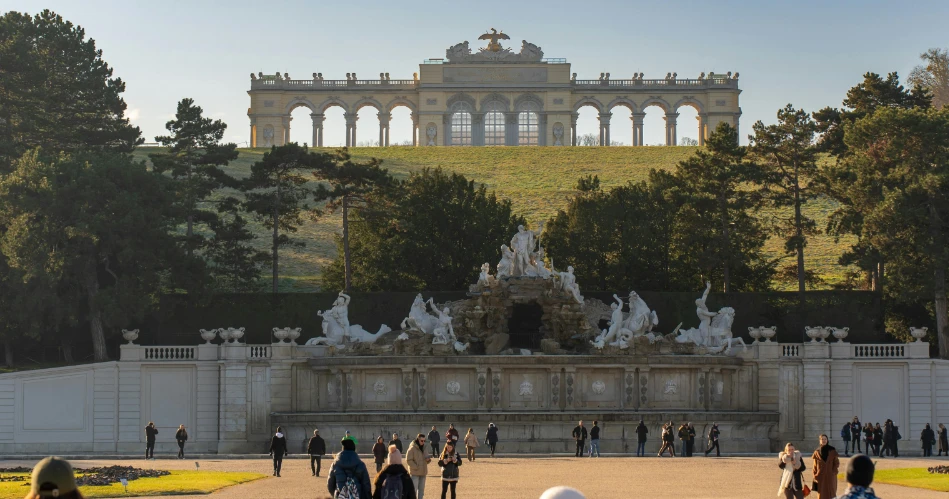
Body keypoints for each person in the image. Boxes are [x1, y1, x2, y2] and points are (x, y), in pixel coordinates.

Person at [811, 434, 839, 499]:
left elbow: (836, 463)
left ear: (827, 440)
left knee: (831, 493)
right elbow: (814, 466)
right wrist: (815, 475)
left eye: (825, 439)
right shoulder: (817, 452)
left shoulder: (832, 450)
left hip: (831, 476)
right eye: (822, 439)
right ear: (820, 441)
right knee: (821, 494)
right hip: (821, 476)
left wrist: (833, 472)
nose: (824, 440)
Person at [406, 433, 432, 499]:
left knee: (421, 491)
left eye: (424, 441)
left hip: (423, 472)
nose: (423, 442)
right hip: (415, 473)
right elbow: (408, 460)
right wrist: (416, 467)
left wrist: (428, 460)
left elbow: (426, 457)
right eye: (421, 440)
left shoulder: (425, 447)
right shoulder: (412, 448)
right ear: (418, 440)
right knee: (413, 491)